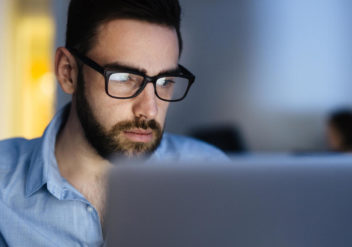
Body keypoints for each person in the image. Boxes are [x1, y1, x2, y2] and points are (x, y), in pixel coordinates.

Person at [0, 0, 227, 245]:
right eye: (124, 78)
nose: (149, 110)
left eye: (164, 81)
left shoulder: (213, 178)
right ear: (68, 72)